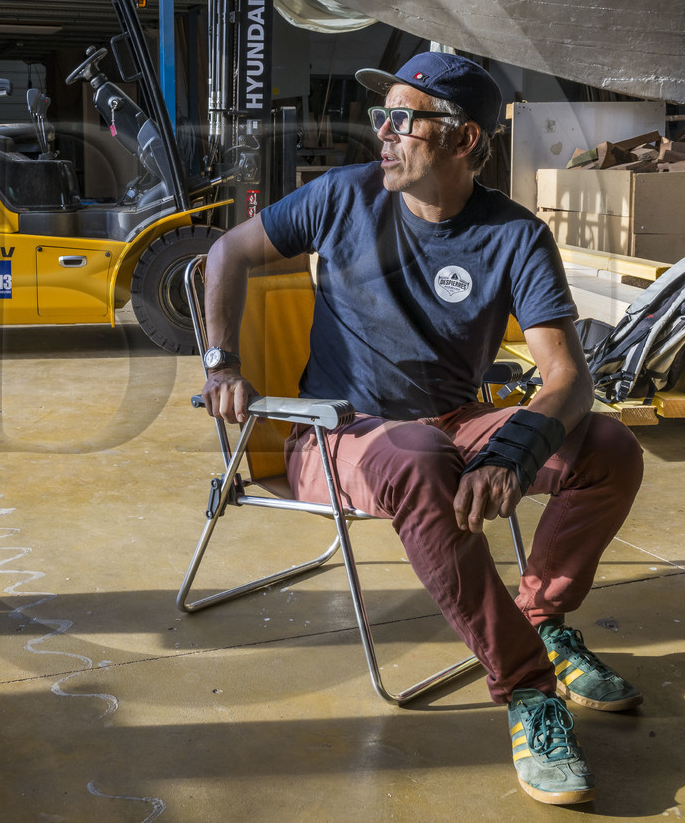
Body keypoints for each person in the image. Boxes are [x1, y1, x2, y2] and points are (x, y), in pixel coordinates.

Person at [200, 51, 645, 806]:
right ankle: (530, 688)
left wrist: (512, 449)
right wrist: (221, 361)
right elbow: (227, 251)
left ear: (464, 138)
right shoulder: (342, 198)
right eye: (383, 117)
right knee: (419, 455)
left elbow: (568, 377)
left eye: (406, 119)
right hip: (335, 431)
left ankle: (540, 616)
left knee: (606, 446)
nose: (384, 133)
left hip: (454, 422)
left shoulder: (513, 236)